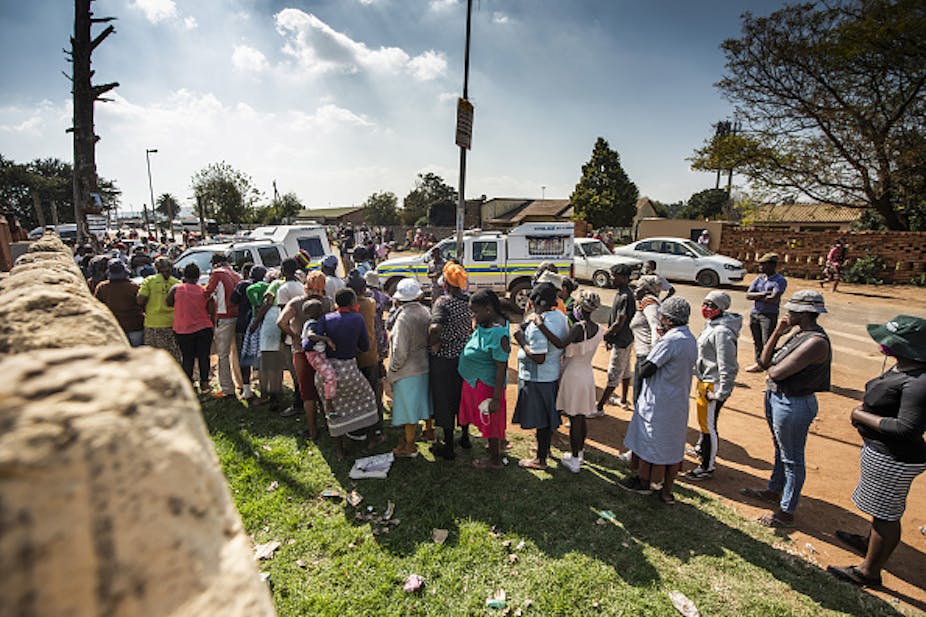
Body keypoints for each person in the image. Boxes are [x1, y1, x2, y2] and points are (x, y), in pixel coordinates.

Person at [828, 316, 926, 588]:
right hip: (882, 452)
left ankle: (868, 572)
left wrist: (860, 415)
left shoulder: (919, 382)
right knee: (879, 506)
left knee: (886, 514)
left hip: (895, 457)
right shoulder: (905, 367)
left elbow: (906, 428)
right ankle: (869, 541)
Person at [741, 290, 831, 528]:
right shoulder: (798, 334)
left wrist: (771, 364)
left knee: (792, 459)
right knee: (780, 449)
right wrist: (778, 333)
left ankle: (786, 512)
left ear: (803, 313)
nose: (787, 313)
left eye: (791, 310)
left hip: (794, 403)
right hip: (777, 398)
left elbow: (776, 371)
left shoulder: (815, 342)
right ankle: (774, 489)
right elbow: (763, 362)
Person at [620, 296, 698, 504]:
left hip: (659, 402)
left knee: (650, 443)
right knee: (671, 446)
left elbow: (646, 370)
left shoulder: (669, 341)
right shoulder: (690, 339)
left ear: (668, 320)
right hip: (676, 402)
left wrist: (653, 342)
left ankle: (644, 482)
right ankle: (666, 491)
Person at [512, 282, 569, 470]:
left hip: (537, 377)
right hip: (550, 375)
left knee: (542, 420)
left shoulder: (539, 325)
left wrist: (521, 341)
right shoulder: (559, 316)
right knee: (546, 418)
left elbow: (538, 357)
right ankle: (543, 450)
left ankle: (540, 459)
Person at [685, 291, 741, 480]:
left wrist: (722, 392)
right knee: (705, 423)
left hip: (712, 385)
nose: (707, 309)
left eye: (712, 306)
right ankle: (702, 449)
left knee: (708, 426)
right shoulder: (712, 325)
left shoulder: (722, 332)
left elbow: (728, 364)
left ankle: (707, 466)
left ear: (721, 309)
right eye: (705, 304)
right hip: (704, 381)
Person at [546, 290, 605, 473]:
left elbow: (560, 343)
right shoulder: (599, 328)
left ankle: (574, 459)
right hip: (586, 373)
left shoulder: (580, 327)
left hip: (573, 374)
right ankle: (579, 452)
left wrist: (541, 325)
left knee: (574, 417)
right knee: (580, 417)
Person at [318, 288, 380, 459]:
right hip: (348, 367)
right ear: (353, 302)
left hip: (326, 370)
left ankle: (339, 450)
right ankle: (372, 438)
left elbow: (313, 338)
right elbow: (364, 346)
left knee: (332, 409)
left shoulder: (326, 318)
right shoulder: (357, 318)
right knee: (367, 399)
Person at [458, 290, 510, 470]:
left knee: (491, 421)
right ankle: (495, 446)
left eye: (475, 312)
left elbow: (501, 367)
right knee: (489, 420)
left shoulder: (498, 333)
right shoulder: (488, 322)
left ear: (488, 310)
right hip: (476, 381)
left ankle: (495, 461)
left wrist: (496, 398)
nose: (472, 316)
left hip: (487, 385)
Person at [428, 263, 473, 460]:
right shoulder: (467, 301)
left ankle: (448, 447)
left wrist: (433, 344)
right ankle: (464, 437)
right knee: (461, 397)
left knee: (445, 400)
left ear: (446, 283)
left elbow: (435, 328)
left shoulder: (443, 302)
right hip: (463, 358)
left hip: (445, 359)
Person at [387, 278, 434, 457]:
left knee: (409, 410)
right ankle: (429, 431)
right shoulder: (426, 312)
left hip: (408, 370)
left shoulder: (403, 318)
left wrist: (393, 371)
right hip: (425, 365)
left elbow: (400, 351)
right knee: (426, 402)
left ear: (399, 299)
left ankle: (410, 445)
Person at [345, 270, 386, 445]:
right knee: (373, 393)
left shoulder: (342, 308)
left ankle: (358, 427)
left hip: (352, 357)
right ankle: (376, 427)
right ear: (363, 290)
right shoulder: (369, 303)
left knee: (356, 394)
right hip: (370, 355)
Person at [166, 263, 216, 392]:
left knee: (187, 358)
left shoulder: (176, 289)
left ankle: (189, 384)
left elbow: (168, 302)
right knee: (204, 357)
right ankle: (204, 383)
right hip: (203, 327)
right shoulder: (203, 291)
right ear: (198, 276)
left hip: (183, 328)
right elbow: (210, 309)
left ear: (184, 275)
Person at [597, 263, 636, 413]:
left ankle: (599, 407)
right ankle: (624, 400)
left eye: (615, 276)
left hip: (622, 340)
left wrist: (604, 335)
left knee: (614, 373)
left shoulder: (626, 296)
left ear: (625, 278)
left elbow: (620, 322)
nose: (612, 279)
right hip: (624, 339)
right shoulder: (621, 293)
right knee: (625, 370)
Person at [205, 253, 242, 398]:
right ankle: (241, 382)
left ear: (215, 263)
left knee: (223, 354)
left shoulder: (217, 273)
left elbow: (207, 292)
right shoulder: (236, 274)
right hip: (237, 316)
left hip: (224, 316)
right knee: (236, 353)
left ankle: (227, 388)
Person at [744, 253, 787, 373]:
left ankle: (771, 368)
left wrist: (757, 296)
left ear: (772, 265)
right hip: (755, 313)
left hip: (769, 315)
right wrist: (764, 294)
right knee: (757, 341)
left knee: (768, 342)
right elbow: (748, 295)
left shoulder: (779, 280)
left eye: (763, 264)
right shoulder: (759, 278)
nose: (760, 266)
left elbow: (773, 299)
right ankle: (759, 363)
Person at [137, 257, 181, 362]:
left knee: (153, 359)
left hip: (152, 324)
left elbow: (140, 300)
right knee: (172, 359)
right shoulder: (176, 283)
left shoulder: (149, 281)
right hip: (170, 324)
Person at [230, 264, 264, 400]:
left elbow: (232, 301)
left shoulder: (242, 285)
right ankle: (264, 387)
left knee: (244, 358)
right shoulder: (265, 286)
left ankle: (246, 389)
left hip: (243, 325)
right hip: (260, 327)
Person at [94, 258, 145, 347]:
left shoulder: (102, 287)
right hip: (135, 325)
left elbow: (96, 306)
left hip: (114, 327)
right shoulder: (134, 287)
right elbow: (142, 304)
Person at [300, 298, 337, 405]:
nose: (321, 312)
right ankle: (329, 402)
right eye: (318, 310)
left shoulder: (312, 322)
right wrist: (327, 339)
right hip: (315, 355)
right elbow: (311, 336)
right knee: (330, 376)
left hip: (318, 354)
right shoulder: (312, 324)